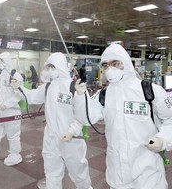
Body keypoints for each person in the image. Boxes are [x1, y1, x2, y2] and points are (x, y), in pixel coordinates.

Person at [73, 44, 172, 189]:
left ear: (125, 63)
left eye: (115, 63)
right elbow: (86, 118)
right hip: (117, 172)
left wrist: (162, 139)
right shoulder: (104, 94)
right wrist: (80, 96)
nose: (110, 69)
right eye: (106, 65)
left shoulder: (149, 90)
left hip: (147, 169)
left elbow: (169, 120)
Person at [10, 52, 93, 189]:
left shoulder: (74, 87)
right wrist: (19, 87)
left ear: (60, 66)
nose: (49, 70)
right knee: (51, 173)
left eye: (52, 67)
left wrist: (72, 130)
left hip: (71, 140)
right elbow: (32, 97)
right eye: (48, 67)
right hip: (51, 138)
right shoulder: (48, 86)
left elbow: (84, 114)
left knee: (79, 174)